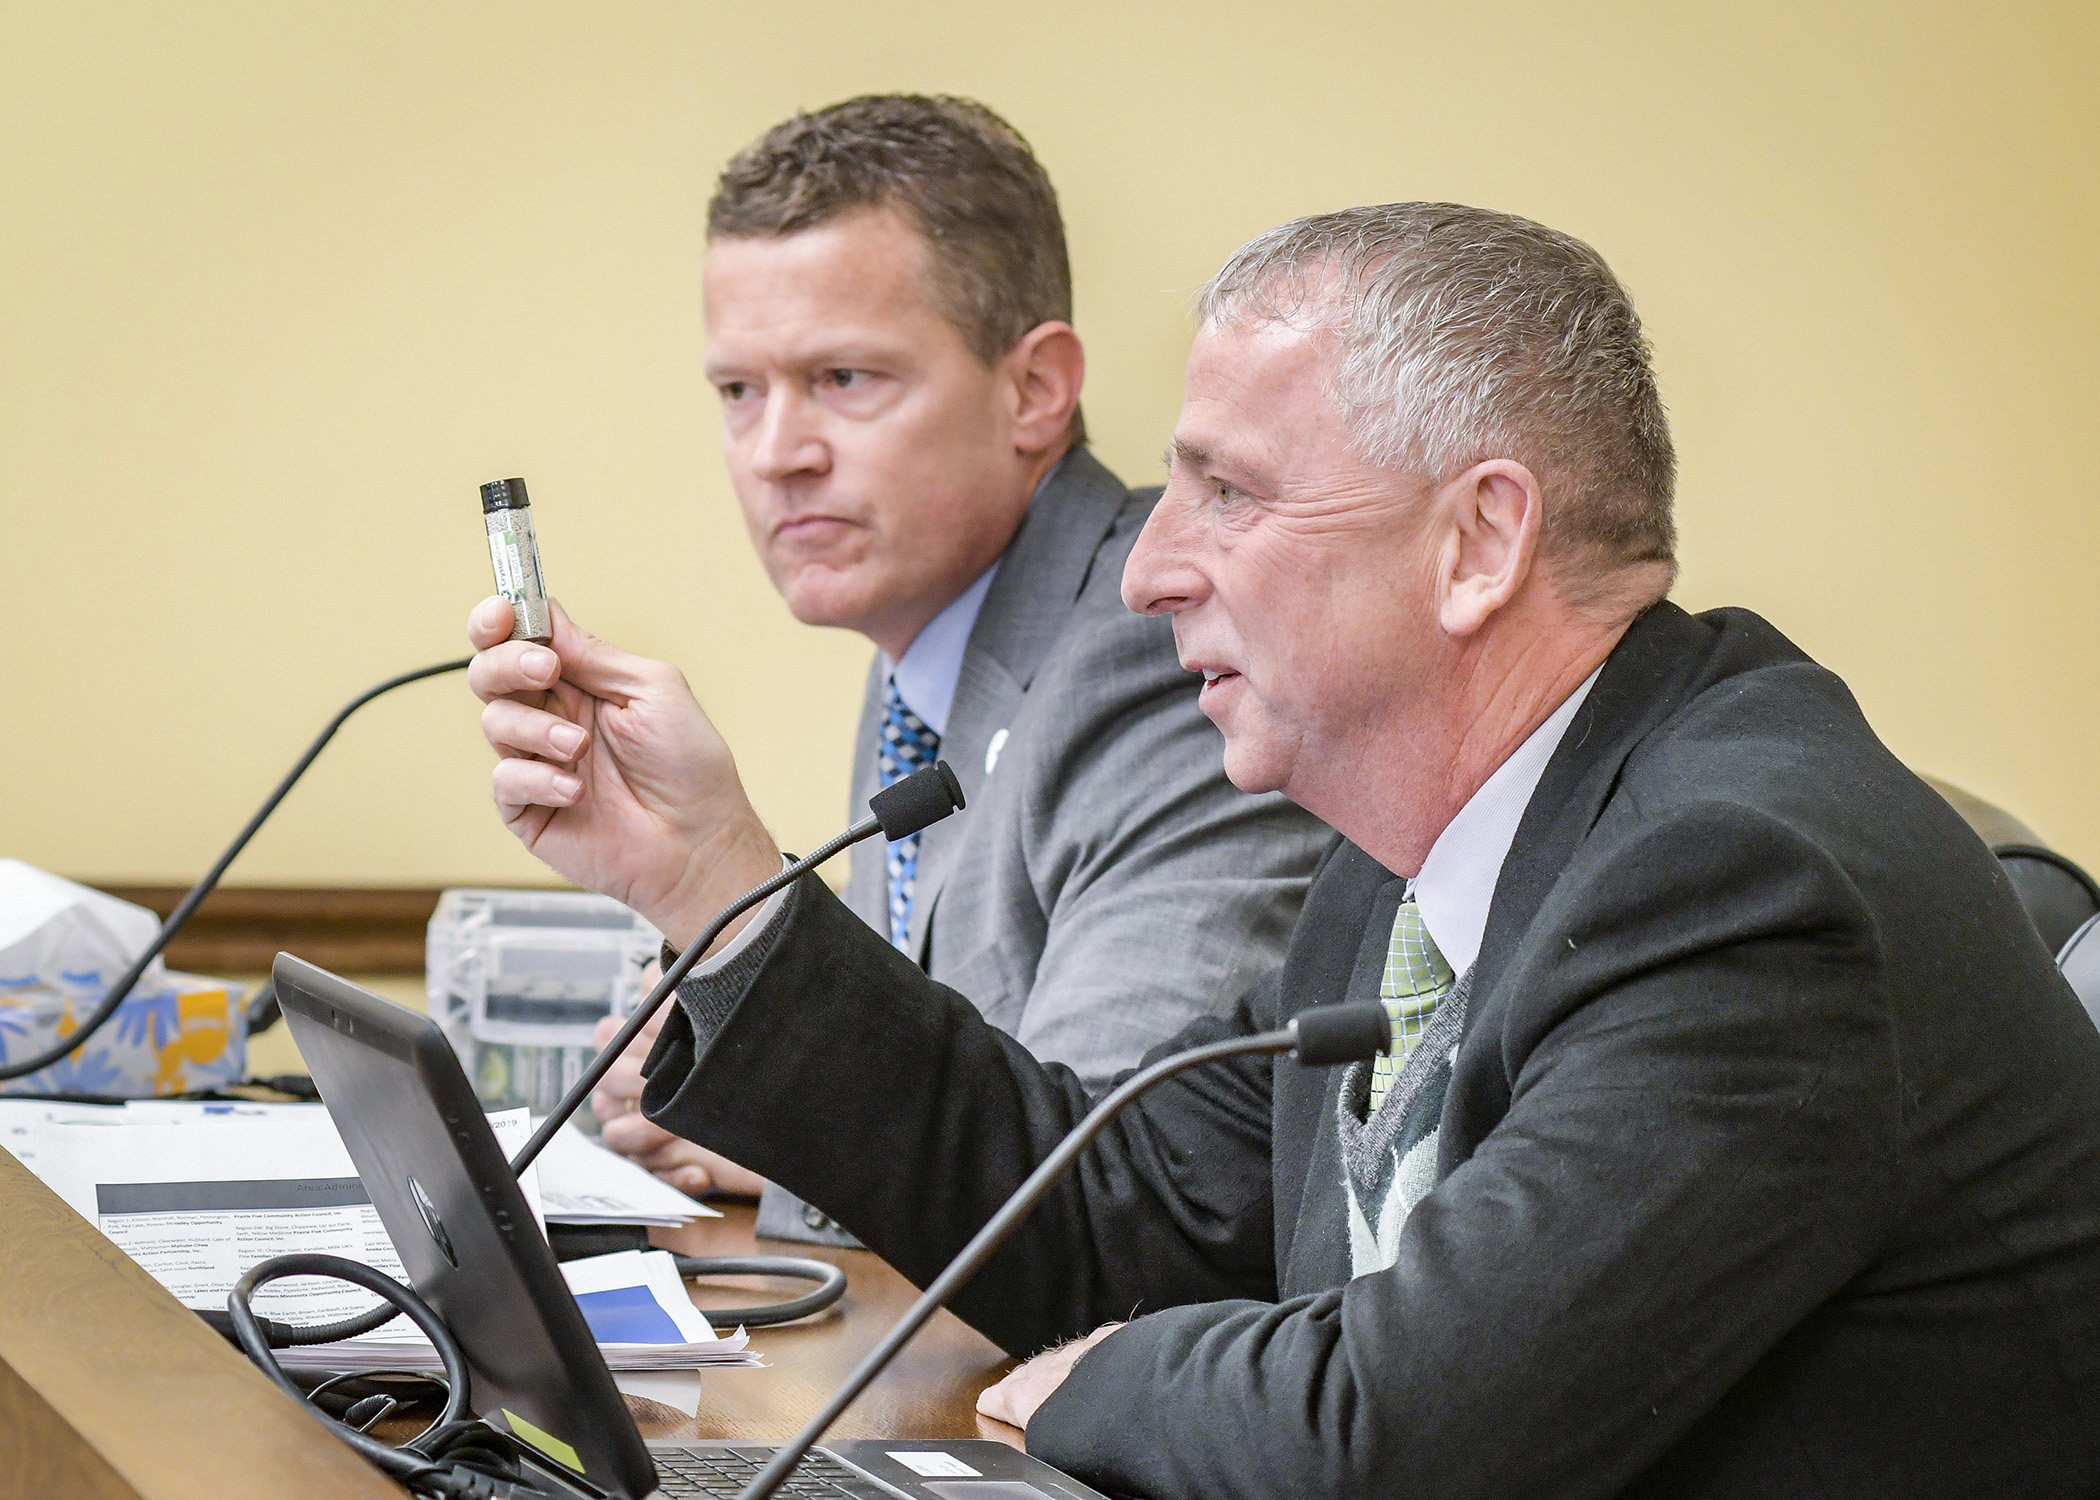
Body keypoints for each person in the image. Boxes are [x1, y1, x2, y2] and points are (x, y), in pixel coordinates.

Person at [511, 201, 2100, 1495]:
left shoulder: (1742, 881)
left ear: (1477, 541)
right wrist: (711, 878)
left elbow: (1410, 1434)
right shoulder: (1415, 859)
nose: (1144, 571)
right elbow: (1101, 1210)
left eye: (1230, 494)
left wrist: (1117, 1374)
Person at [468, 95, 1331, 1244]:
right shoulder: (925, 650)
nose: (779, 454)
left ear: (1034, 390)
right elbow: (959, 1060)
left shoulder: (1167, 648)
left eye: (846, 380)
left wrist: (771, 1129)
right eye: (739, 392)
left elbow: (1103, 1196)